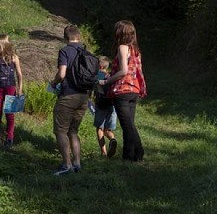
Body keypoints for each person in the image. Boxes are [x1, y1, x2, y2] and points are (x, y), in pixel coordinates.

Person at [98, 20, 145, 162]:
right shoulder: (136, 50)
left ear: (120, 33)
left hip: (122, 90)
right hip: (134, 90)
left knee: (127, 125)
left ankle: (139, 152)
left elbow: (123, 70)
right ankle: (129, 156)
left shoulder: (123, 47)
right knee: (130, 124)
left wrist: (106, 81)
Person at [50, 25, 90, 175]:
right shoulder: (86, 52)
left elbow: (61, 74)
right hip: (84, 97)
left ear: (65, 37)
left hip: (68, 96)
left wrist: (54, 83)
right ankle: (77, 163)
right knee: (73, 130)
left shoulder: (65, 51)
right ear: (79, 37)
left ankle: (66, 165)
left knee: (60, 130)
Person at [93, 56, 118, 158]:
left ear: (98, 65)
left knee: (99, 129)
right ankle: (112, 139)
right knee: (108, 130)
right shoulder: (110, 77)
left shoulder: (95, 76)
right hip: (112, 105)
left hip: (101, 105)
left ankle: (104, 153)